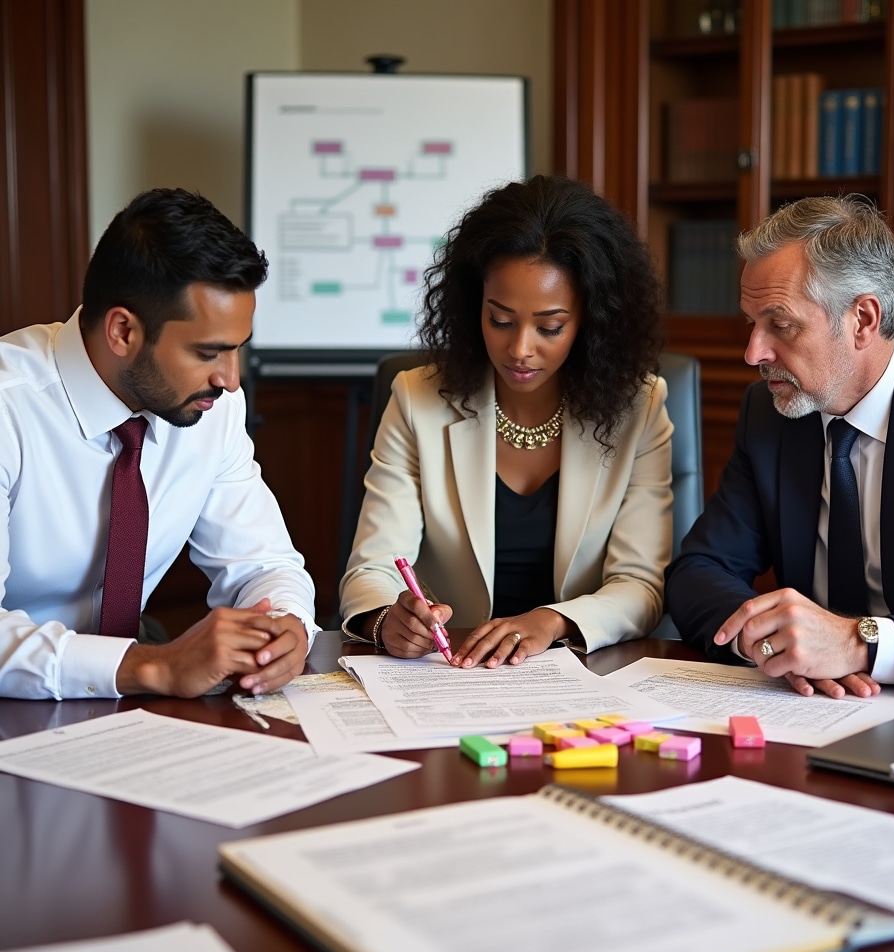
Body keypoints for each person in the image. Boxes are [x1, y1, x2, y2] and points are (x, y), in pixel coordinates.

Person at [665, 194, 894, 699]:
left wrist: (862, 644)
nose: (753, 353)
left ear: (863, 320)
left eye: (781, 325)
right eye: (752, 323)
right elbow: (698, 571)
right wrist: (772, 643)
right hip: (809, 706)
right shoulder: (769, 412)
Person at [340, 175, 673, 667]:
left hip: (578, 671)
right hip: (449, 669)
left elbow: (640, 586)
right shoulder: (416, 399)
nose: (519, 349)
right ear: (473, 303)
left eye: (550, 327)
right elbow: (372, 567)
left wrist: (551, 621)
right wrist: (388, 618)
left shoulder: (639, 407)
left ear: (591, 321)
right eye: (500, 320)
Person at [0, 188, 317, 700]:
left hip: (132, 691)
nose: (231, 379)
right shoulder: (8, 408)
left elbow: (264, 564)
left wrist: (285, 625)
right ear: (123, 331)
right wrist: (154, 667)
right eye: (208, 352)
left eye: (237, 349)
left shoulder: (211, 406)